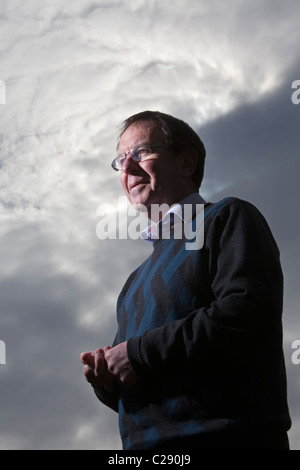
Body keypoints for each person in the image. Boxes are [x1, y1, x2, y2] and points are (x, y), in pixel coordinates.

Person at [81, 110, 291, 450]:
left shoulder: (227, 217)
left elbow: (247, 313)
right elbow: (141, 377)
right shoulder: (131, 284)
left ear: (186, 162)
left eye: (141, 152)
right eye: (121, 160)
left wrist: (136, 353)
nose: (128, 167)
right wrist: (106, 378)